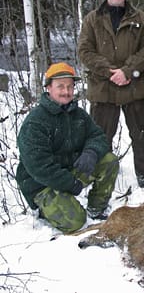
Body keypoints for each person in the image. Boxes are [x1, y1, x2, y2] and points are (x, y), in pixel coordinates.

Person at [15, 62, 119, 233]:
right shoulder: (35, 122)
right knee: (76, 222)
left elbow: (98, 136)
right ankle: (44, 208)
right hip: (41, 184)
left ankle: (96, 208)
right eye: (60, 86)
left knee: (109, 161)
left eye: (70, 86)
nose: (66, 91)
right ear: (48, 88)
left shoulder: (78, 114)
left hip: (70, 171)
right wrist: (70, 184)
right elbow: (39, 167)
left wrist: (91, 152)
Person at [77, 0, 144, 188]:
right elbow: (84, 51)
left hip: (133, 87)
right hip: (103, 88)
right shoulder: (92, 19)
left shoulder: (140, 18)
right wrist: (110, 71)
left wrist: (128, 71)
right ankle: (104, 175)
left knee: (139, 134)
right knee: (101, 137)